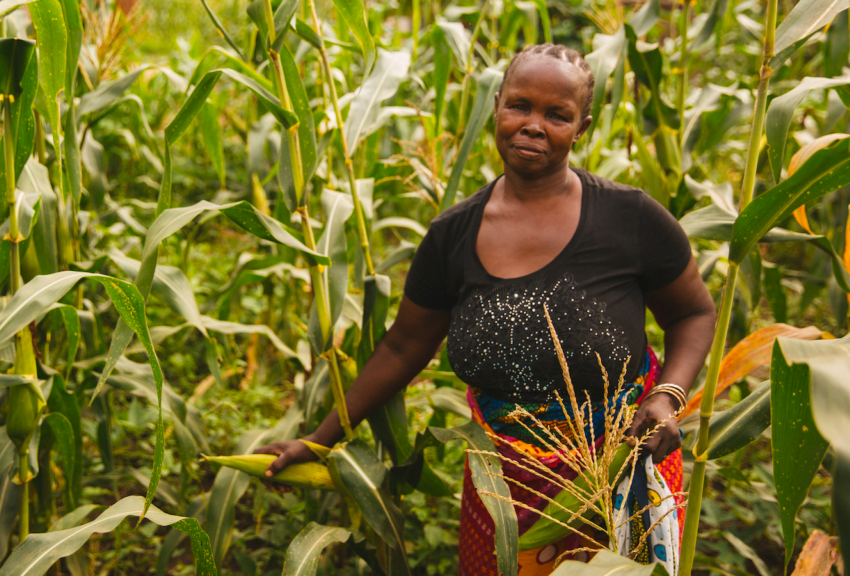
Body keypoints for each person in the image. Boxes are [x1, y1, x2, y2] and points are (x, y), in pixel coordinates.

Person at [255, 43, 716, 575]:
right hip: (503, 487)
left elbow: (693, 313)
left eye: (557, 115)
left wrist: (667, 396)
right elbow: (404, 348)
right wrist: (319, 440)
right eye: (519, 105)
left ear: (581, 127)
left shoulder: (629, 217)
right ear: (496, 105)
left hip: (620, 472)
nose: (533, 125)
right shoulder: (453, 235)